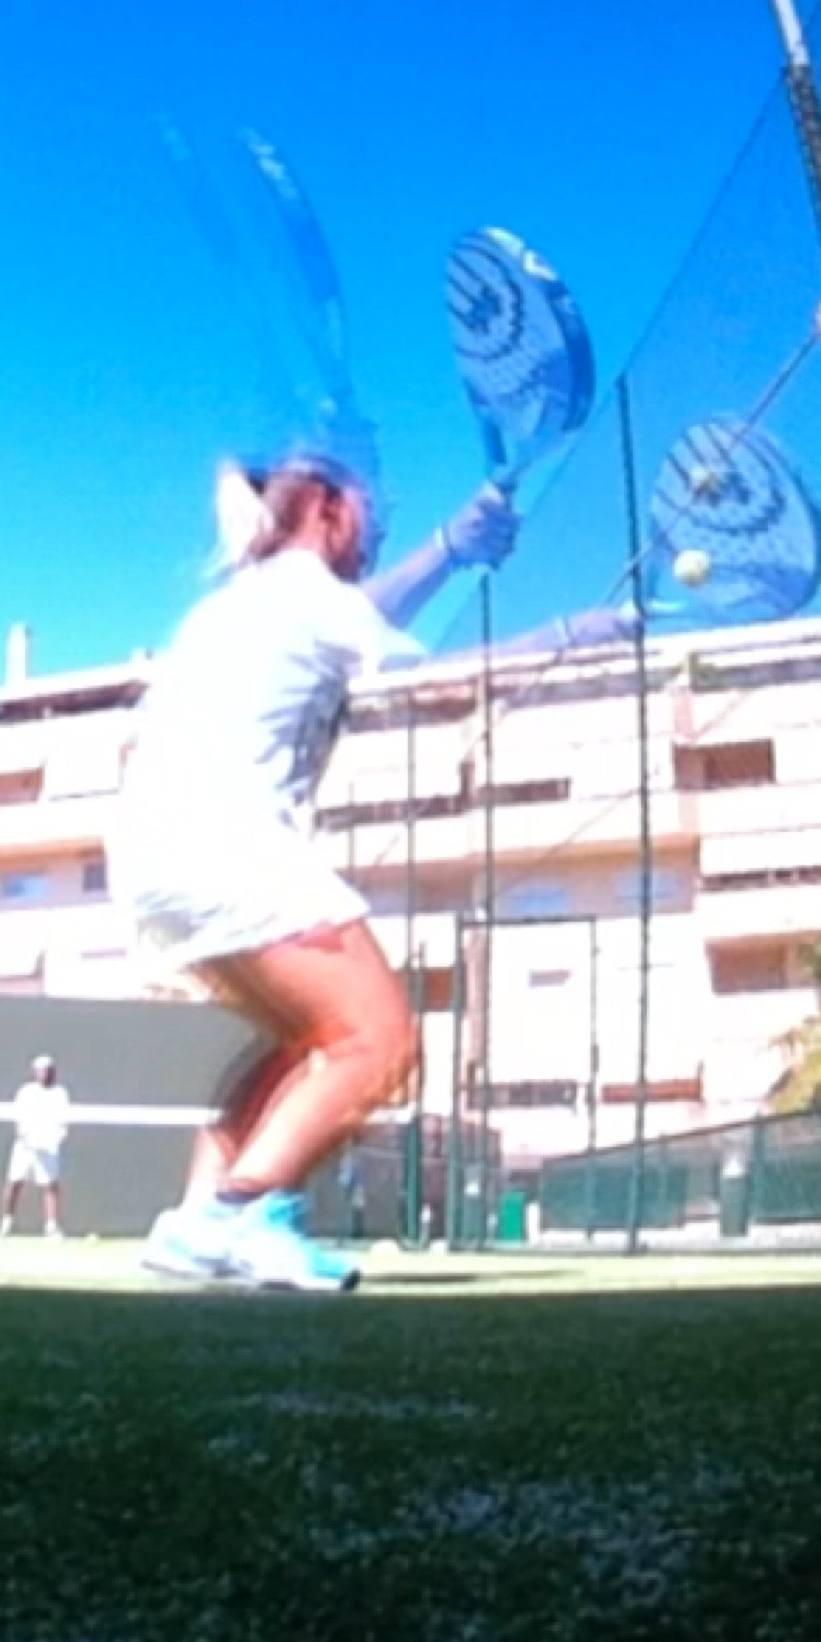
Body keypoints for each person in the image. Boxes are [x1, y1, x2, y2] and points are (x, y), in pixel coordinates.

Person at [109, 450, 627, 1292]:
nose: (380, 529)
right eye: (371, 511)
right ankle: (237, 1214)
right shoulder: (310, 597)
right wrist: (567, 637)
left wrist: (451, 548)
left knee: (308, 1041)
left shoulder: (253, 600)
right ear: (326, 508)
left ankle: (193, 1222)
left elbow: (365, 615)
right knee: (379, 1043)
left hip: (153, 856)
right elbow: (438, 677)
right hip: (227, 843)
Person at [0, 1054, 72, 1239]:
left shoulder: (60, 1094)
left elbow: (63, 1121)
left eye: (48, 1070)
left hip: (48, 1148)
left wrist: (55, 1139)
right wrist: (27, 1138)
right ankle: (6, 1222)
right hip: (25, 1146)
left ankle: (51, 1226)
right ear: (34, 1072)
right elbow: (19, 1118)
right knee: (14, 1182)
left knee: (50, 1186)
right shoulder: (26, 1092)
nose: (44, 1074)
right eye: (40, 1070)